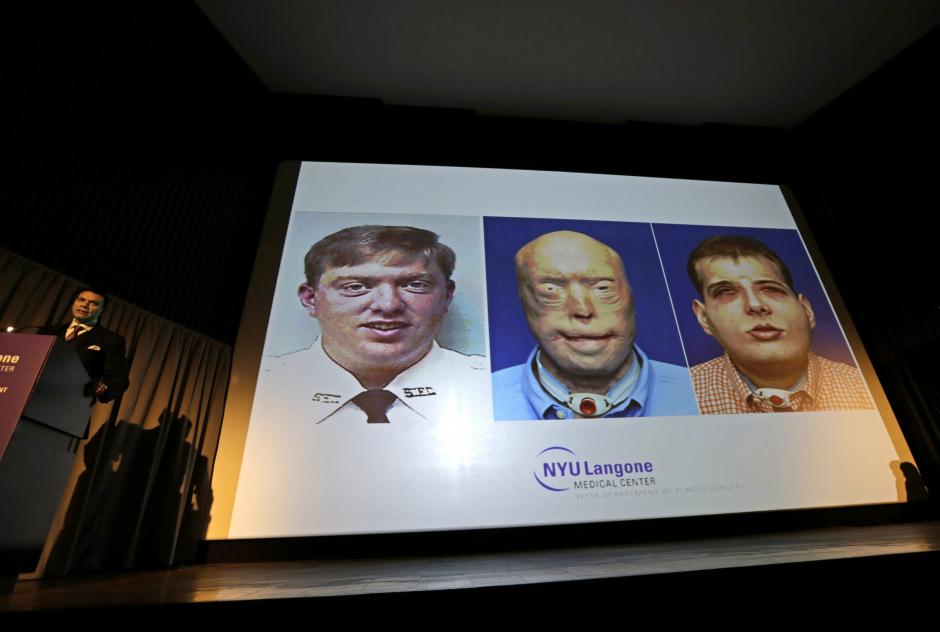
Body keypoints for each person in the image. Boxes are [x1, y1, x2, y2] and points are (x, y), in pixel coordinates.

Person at [258, 225, 488, 425]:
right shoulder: (260, 388)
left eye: (415, 285)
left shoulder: (490, 386)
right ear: (311, 299)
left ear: (446, 296)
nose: (388, 305)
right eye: (355, 287)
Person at [492, 230, 697, 420]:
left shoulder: (698, 392)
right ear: (525, 304)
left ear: (632, 299)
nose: (583, 309)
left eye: (603, 288)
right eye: (551, 289)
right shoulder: (488, 399)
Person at [687, 235, 872, 414]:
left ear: (807, 310)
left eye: (771, 289)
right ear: (703, 317)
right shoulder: (682, 395)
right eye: (726, 292)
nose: (755, 305)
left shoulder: (866, 389)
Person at [39, 287, 129, 404]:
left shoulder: (111, 340)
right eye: (81, 300)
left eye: (93, 303)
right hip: (34, 396)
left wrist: (100, 388)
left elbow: (118, 379)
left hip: (71, 405)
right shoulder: (48, 331)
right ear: (74, 303)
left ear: (102, 310)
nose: (85, 305)